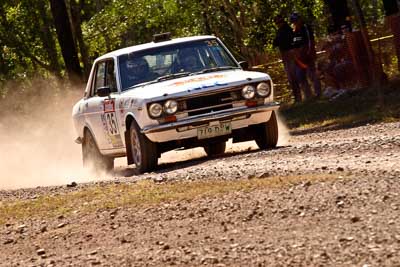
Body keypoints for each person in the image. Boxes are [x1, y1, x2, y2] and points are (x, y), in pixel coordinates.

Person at [290, 12, 322, 99]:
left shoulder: (306, 28)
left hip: (308, 56)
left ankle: (318, 93)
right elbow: (293, 45)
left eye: (296, 21)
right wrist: (295, 55)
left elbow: (310, 42)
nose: (295, 23)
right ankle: (308, 96)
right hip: (299, 59)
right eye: (294, 22)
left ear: (300, 19)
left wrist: (309, 53)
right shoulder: (294, 32)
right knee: (300, 77)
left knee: (313, 75)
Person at [273, 14, 301, 102]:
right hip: (285, 54)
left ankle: (299, 96)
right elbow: (275, 43)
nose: (279, 24)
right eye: (277, 22)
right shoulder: (279, 31)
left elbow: (291, 41)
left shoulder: (288, 30)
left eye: (279, 22)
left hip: (290, 53)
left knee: (293, 76)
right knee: (290, 76)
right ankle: (297, 96)